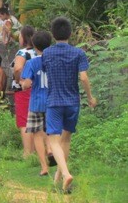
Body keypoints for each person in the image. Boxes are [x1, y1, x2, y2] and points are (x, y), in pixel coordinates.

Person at [42, 17, 97, 192]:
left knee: (54, 141)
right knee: (65, 140)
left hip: (54, 102)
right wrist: (90, 97)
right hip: (73, 102)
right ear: (70, 33)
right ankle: (58, 183)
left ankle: (65, 174)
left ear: (53, 34)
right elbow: (83, 77)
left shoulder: (47, 53)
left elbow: (45, 71)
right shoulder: (78, 53)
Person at [21, 31, 54, 176]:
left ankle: (44, 167)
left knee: (37, 134)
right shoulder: (54, 61)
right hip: (52, 101)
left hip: (36, 103)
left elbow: (26, 83)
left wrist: (24, 84)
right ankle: (51, 149)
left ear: (34, 46)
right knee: (52, 131)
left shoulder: (32, 62)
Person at [12, 26, 36, 158]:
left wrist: (19, 80)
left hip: (23, 90)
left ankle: (28, 152)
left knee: (24, 120)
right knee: (35, 119)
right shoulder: (38, 52)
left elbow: (17, 68)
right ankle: (37, 150)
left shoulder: (23, 53)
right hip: (37, 88)